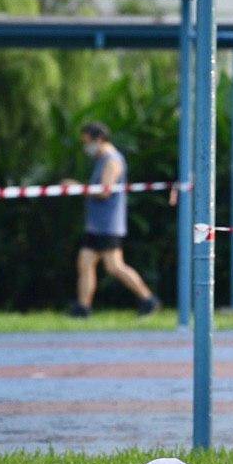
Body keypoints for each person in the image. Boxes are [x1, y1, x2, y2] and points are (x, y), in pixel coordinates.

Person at [66, 122, 159, 318]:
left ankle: (148, 299)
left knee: (114, 266)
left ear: (98, 139)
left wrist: (78, 188)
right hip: (97, 224)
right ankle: (83, 308)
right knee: (85, 261)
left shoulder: (112, 161)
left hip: (109, 224)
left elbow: (104, 192)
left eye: (87, 142)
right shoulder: (102, 160)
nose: (86, 148)